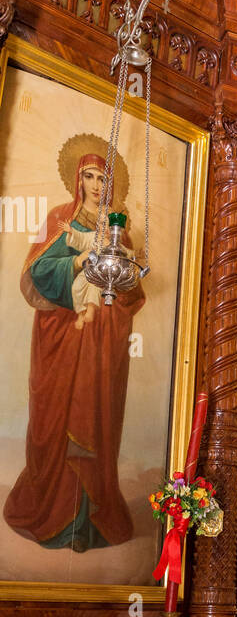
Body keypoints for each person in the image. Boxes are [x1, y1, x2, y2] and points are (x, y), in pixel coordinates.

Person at [4, 151, 143, 552]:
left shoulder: (120, 234)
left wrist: (123, 284)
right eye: (91, 176)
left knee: (95, 419)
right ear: (78, 180)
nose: (98, 185)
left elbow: (130, 293)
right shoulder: (58, 220)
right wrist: (78, 263)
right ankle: (51, 515)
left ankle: (87, 523)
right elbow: (38, 272)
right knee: (53, 419)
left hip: (101, 345)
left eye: (104, 178)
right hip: (61, 337)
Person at [58, 220, 137, 330]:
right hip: (90, 270)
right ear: (98, 225)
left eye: (109, 226)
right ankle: (81, 314)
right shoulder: (93, 237)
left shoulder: (114, 243)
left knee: (94, 286)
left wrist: (135, 254)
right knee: (76, 286)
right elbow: (81, 238)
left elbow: (126, 252)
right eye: (102, 224)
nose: (106, 228)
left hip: (104, 273)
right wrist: (71, 231)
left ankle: (90, 311)